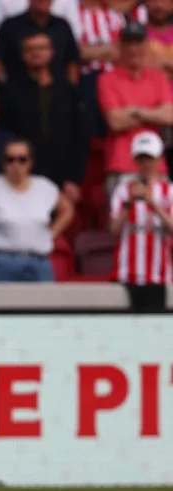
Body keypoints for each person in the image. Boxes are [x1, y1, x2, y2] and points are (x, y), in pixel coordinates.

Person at [0, 30, 89, 202]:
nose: (36, 53)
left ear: (51, 52)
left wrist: (74, 179)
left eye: (41, 48)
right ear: (23, 55)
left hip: (62, 176)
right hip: (23, 174)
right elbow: (5, 134)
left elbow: (81, 136)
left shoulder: (68, 91)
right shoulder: (11, 92)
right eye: (30, 49)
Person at [0, 138, 74, 282]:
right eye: (10, 159)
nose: (16, 164)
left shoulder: (45, 187)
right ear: (3, 163)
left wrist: (51, 234)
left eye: (22, 159)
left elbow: (67, 210)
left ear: (30, 162)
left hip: (38, 262)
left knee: (43, 304)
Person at [98, 21, 173, 198]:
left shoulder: (158, 78)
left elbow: (169, 116)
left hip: (156, 166)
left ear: (147, 45)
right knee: (121, 221)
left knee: (160, 221)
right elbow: (115, 121)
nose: (133, 49)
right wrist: (153, 113)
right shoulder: (107, 79)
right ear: (120, 47)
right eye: (128, 43)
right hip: (121, 164)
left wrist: (136, 111)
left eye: (138, 43)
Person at [110, 130, 173, 311]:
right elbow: (114, 230)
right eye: (141, 158)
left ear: (159, 159)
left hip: (158, 275)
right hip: (126, 274)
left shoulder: (169, 191)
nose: (146, 164)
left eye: (150, 158)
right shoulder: (123, 190)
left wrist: (153, 204)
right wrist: (128, 205)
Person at [0, 0, 81, 83]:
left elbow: (72, 63)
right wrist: (4, 90)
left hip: (59, 93)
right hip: (18, 92)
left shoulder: (62, 26)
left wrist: (72, 90)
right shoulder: (10, 26)